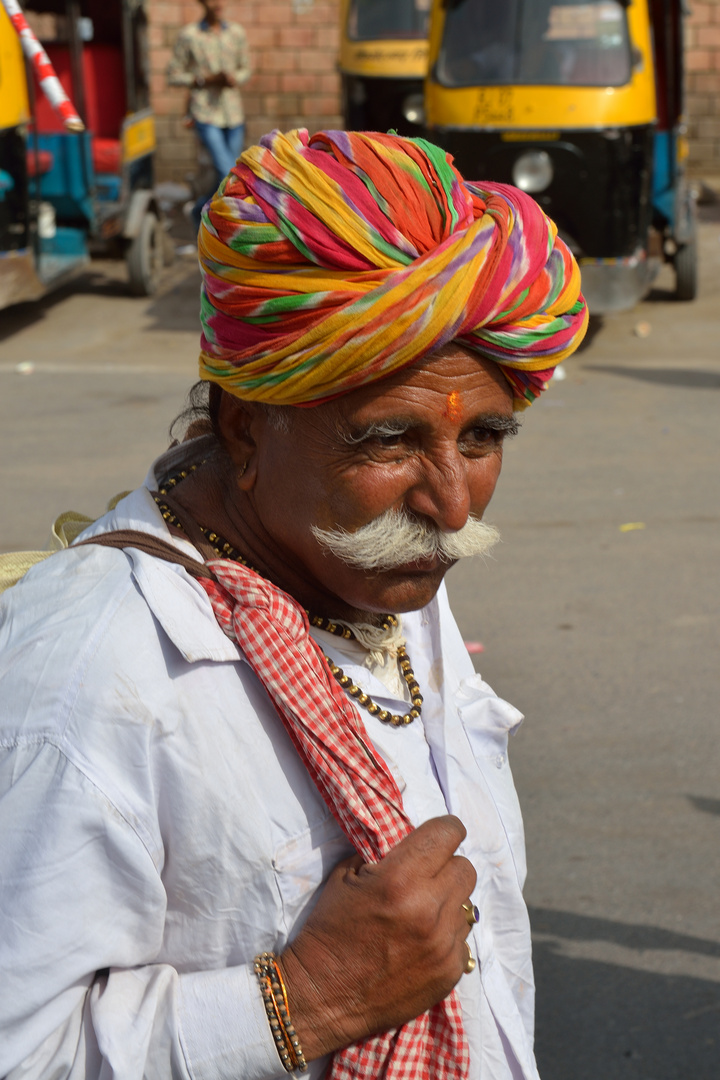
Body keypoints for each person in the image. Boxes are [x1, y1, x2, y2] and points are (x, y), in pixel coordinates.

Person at [0, 130, 588, 1080]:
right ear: (245, 429)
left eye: (483, 436)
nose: (450, 503)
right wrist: (307, 997)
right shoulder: (92, 673)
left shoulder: (372, 573)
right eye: (389, 440)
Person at [167, 0, 251, 231]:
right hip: (205, 112)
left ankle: (198, 211)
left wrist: (235, 78)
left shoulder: (236, 33)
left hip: (233, 112)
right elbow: (173, 74)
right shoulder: (190, 35)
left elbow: (246, 68)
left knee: (228, 172)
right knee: (228, 172)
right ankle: (230, 226)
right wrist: (203, 80)